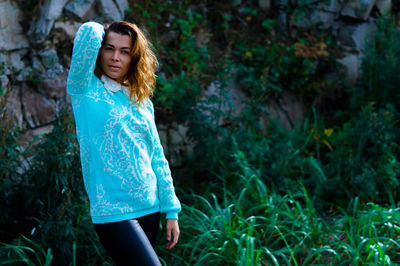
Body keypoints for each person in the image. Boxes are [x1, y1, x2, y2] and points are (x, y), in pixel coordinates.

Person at [66, 20, 181, 265]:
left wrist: (171, 210)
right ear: (99, 51)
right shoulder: (84, 89)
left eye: (125, 51)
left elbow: (156, 157)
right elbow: (88, 32)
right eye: (109, 48)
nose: (115, 57)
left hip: (150, 207)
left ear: (135, 58)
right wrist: (105, 29)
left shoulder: (141, 101)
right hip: (113, 212)